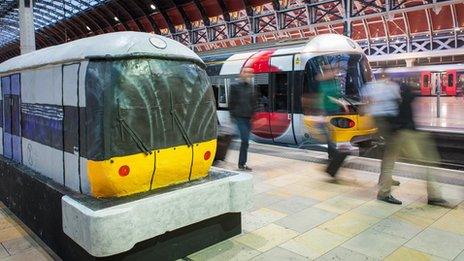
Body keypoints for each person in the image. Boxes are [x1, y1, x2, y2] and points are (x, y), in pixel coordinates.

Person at [380, 82, 450, 207]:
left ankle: (384, 193)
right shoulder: (402, 95)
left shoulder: (392, 97)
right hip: (406, 134)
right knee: (427, 162)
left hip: (398, 133)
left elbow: (388, 116)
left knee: (388, 163)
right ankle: (434, 196)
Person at [363, 71, 403, 204]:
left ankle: (385, 179)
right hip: (388, 121)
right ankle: (384, 191)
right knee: (391, 153)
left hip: (379, 120)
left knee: (389, 152)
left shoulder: (370, 86)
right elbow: (399, 102)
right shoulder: (393, 86)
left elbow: (366, 104)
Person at [229, 67, 256, 171]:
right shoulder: (234, 87)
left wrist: (254, 116)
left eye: (250, 72)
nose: (248, 74)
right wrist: (233, 116)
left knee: (246, 142)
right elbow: (231, 103)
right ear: (241, 74)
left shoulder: (251, 87)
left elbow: (253, 102)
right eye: (246, 72)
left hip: (249, 118)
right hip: (240, 117)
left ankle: (242, 163)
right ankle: (242, 163)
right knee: (245, 140)